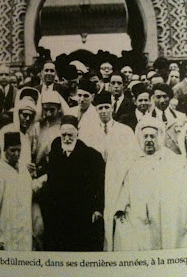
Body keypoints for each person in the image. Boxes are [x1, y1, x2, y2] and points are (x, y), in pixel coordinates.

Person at [113, 117, 178, 251]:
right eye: (146, 136)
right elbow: (125, 186)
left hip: (160, 214)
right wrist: (120, 207)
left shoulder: (168, 159)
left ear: (158, 138)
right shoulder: (132, 160)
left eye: (152, 136)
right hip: (136, 214)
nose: (149, 140)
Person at [43, 115, 105, 251]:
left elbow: (99, 185)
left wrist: (97, 208)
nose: (66, 139)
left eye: (70, 135)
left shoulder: (91, 156)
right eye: (63, 135)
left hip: (80, 213)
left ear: (78, 132)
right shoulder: (56, 150)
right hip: (58, 213)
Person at [92, 91, 136, 250]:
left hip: (116, 182)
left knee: (116, 223)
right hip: (97, 183)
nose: (103, 111)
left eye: (106, 107)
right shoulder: (89, 131)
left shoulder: (124, 131)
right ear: (96, 110)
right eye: (100, 108)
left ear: (112, 108)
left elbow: (132, 159)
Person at [0, 132, 33, 250]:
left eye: (19, 150)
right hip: (6, 231)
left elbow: (28, 190)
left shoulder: (23, 169)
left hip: (24, 230)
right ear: (5, 150)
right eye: (12, 150)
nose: (16, 154)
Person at [148, 83, 187, 154]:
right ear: (153, 98)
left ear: (170, 97)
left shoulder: (181, 117)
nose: (162, 100)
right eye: (158, 97)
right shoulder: (146, 119)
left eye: (165, 96)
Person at [69, 79, 100, 150]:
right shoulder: (70, 111)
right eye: (79, 95)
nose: (82, 99)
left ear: (92, 97)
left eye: (86, 96)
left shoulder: (97, 115)